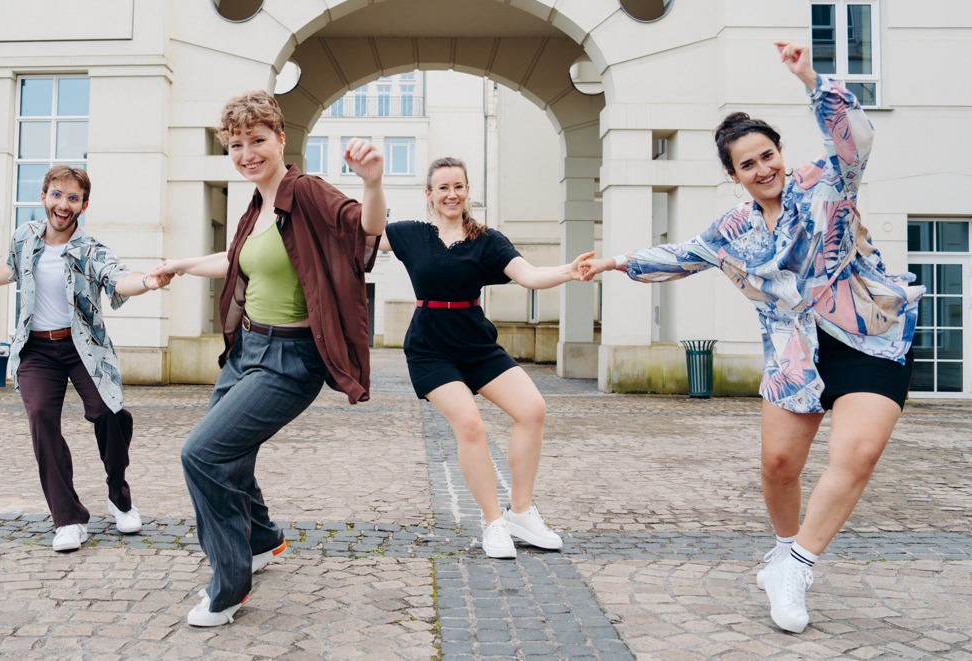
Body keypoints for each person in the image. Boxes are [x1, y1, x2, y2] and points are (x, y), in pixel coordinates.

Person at [579, 42, 923, 633]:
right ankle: (785, 547)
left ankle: (796, 565)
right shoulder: (733, 228)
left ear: (781, 152)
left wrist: (811, 79)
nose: (763, 169)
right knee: (778, 466)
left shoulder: (825, 183)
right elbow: (683, 255)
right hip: (795, 356)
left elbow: (856, 140)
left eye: (768, 155)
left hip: (868, 336)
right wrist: (615, 263)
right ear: (733, 175)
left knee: (858, 453)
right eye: (748, 164)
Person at [148, 90, 386, 627]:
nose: (247, 152)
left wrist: (372, 181)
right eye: (236, 144)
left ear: (281, 139)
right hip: (246, 349)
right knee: (232, 454)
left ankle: (229, 586)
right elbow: (237, 262)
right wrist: (182, 263)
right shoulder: (257, 205)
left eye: (257, 140)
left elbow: (365, 232)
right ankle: (261, 540)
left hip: (290, 359)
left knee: (203, 455)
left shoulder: (306, 191)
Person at [0, 165, 169, 553]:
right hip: (36, 350)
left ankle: (118, 493)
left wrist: (147, 281)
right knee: (41, 419)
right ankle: (68, 518)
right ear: (44, 197)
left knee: (109, 413)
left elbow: (118, 278)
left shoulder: (90, 249)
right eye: (57, 195)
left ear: (84, 205)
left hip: (83, 349)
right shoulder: (25, 237)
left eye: (73, 198)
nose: (63, 205)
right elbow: (9, 269)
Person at [376, 156, 593, 560]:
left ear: (467, 190)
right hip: (430, 347)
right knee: (471, 425)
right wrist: (370, 183)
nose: (451, 194)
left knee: (532, 410)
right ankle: (493, 522)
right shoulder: (409, 234)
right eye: (442, 187)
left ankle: (521, 513)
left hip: (475, 342)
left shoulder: (486, 240)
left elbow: (528, 275)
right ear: (429, 194)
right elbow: (363, 231)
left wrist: (568, 270)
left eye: (458, 186)